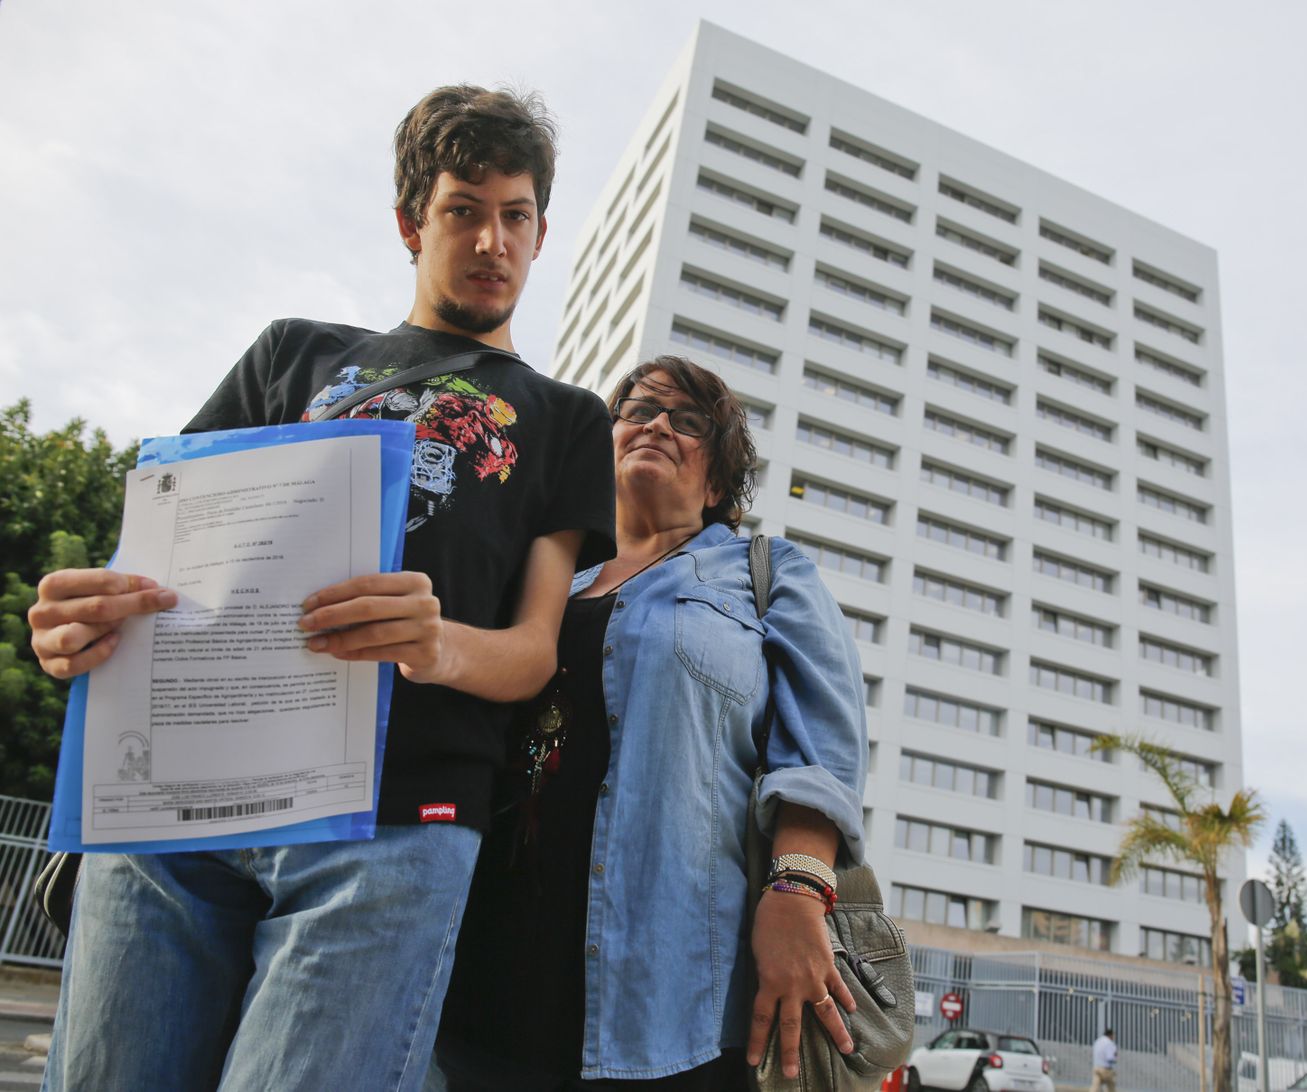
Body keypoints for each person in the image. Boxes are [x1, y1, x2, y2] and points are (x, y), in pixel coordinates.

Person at [26, 85, 616, 1091]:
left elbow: (534, 653)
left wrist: (437, 647)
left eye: (515, 216)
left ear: (541, 232)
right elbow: (160, 562)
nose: (491, 240)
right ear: (408, 224)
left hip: (396, 820)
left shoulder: (566, 417)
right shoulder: (292, 353)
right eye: (462, 209)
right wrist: (82, 625)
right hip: (181, 805)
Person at [431, 355, 869, 1089]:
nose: (658, 424)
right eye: (638, 410)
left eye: (688, 421)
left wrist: (798, 889)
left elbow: (822, 745)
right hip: (484, 971)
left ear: (721, 480)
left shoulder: (768, 572)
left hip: (673, 998)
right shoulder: (534, 574)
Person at [1090, 1028, 1118, 1092]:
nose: (1114, 1037)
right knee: (1111, 1086)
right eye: (1113, 1035)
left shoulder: (1097, 1041)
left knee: (1095, 1087)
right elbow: (1110, 1058)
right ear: (1110, 1035)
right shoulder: (1109, 1043)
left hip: (1096, 1067)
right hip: (1105, 1069)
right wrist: (1115, 1056)